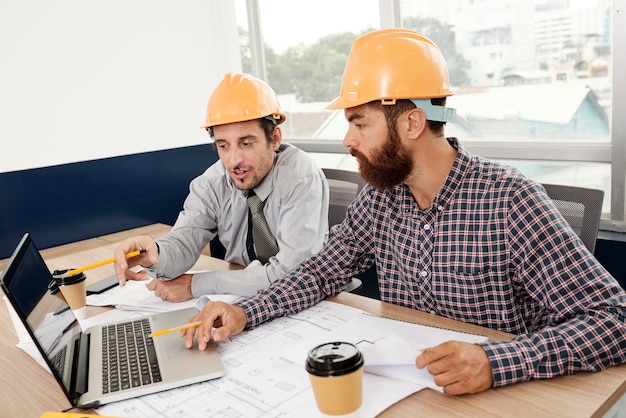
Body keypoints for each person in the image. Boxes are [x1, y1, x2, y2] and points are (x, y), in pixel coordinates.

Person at [182, 29, 626, 395]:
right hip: (409, 390)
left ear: (412, 123)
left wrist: (497, 361)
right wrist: (248, 311)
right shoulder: (382, 197)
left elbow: (614, 319)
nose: (348, 140)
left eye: (359, 123)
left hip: (501, 396)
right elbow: (319, 273)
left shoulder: (510, 201)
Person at [113, 72, 329, 301]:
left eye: (246, 144)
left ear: (275, 138)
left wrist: (199, 284)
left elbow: (293, 276)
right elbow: (184, 240)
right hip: (241, 298)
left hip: (306, 299)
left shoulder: (299, 177)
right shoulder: (212, 183)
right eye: (223, 146)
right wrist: (155, 253)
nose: (234, 160)